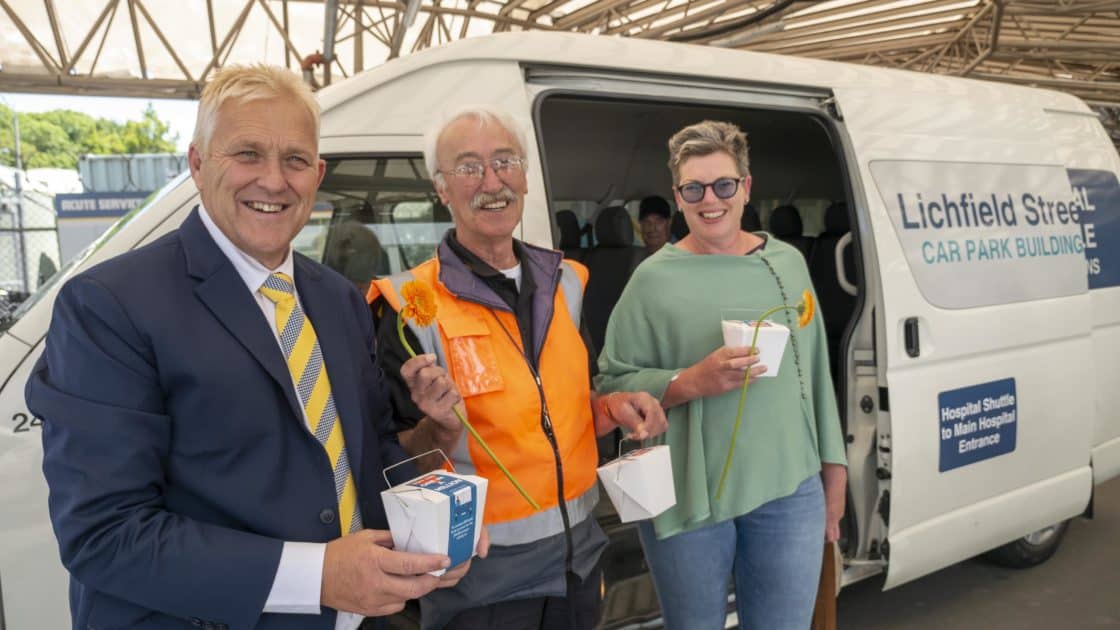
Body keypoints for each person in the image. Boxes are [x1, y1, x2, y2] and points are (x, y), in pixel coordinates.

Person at [27, 64, 483, 630]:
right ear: (197, 164)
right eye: (247, 154)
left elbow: (365, 455)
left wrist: (438, 522)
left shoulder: (339, 300)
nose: (273, 180)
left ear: (316, 176)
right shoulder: (109, 305)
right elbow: (105, 535)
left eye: (294, 160)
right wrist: (319, 575)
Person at [367, 105, 668, 630]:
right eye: (468, 167)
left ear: (525, 177)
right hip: (479, 579)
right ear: (441, 190)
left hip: (578, 560)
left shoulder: (568, 283)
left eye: (505, 161)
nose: (492, 182)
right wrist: (435, 427)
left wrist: (613, 407)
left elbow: (568, 408)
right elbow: (389, 457)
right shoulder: (408, 306)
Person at [595, 120, 848, 629]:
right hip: (690, 493)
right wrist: (690, 382)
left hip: (789, 488)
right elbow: (609, 386)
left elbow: (815, 374)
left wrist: (833, 474)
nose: (710, 200)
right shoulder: (651, 281)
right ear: (678, 196)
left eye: (723, 185)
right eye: (694, 188)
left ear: (745, 187)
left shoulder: (786, 263)